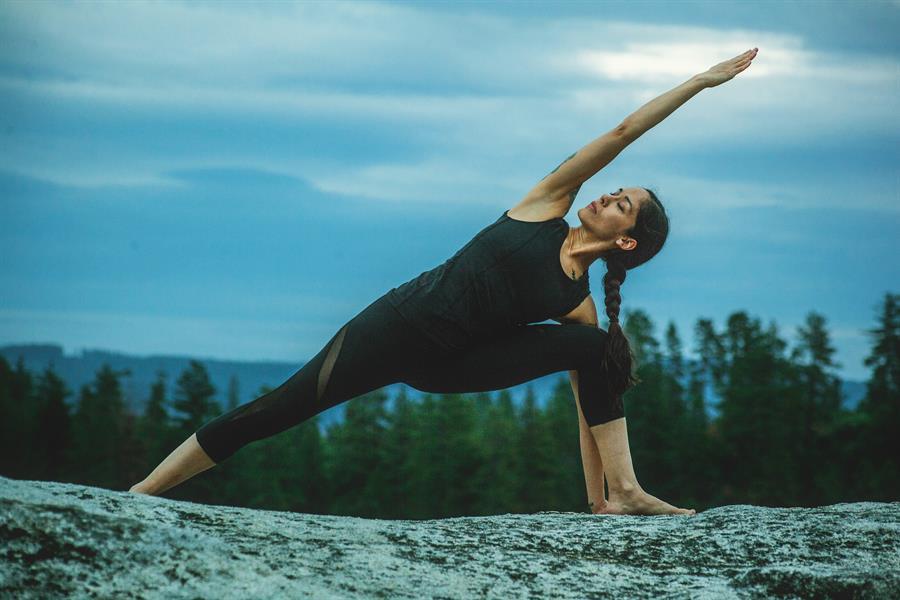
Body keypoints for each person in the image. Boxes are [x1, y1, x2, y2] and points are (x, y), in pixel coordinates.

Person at [130, 48, 759, 516]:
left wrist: (594, 499)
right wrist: (700, 82)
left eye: (621, 203)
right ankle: (141, 495)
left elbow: (587, 404)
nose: (607, 195)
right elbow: (624, 132)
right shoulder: (546, 205)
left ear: (626, 240)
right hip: (395, 327)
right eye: (615, 190)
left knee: (598, 353)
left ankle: (621, 493)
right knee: (281, 408)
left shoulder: (577, 304)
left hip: (452, 365)